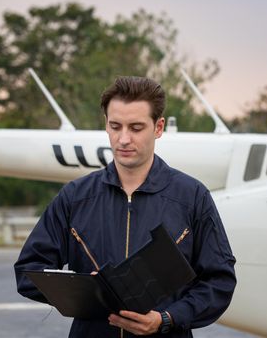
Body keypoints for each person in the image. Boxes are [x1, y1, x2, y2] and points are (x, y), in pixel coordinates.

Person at [14, 76, 236, 337]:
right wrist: (86, 292)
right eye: (115, 126)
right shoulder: (74, 197)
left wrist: (167, 318)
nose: (123, 139)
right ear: (106, 125)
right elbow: (29, 271)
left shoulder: (192, 197)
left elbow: (219, 281)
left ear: (159, 127)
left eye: (136, 127)